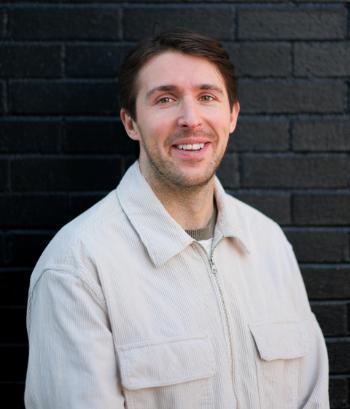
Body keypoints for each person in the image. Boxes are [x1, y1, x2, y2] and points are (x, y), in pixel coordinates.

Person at [25, 29, 329, 409]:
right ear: (131, 123)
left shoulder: (269, 243)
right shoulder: (77, 268)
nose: (191, 118)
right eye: (165, 99)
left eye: (207, 97)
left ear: (232, 115)